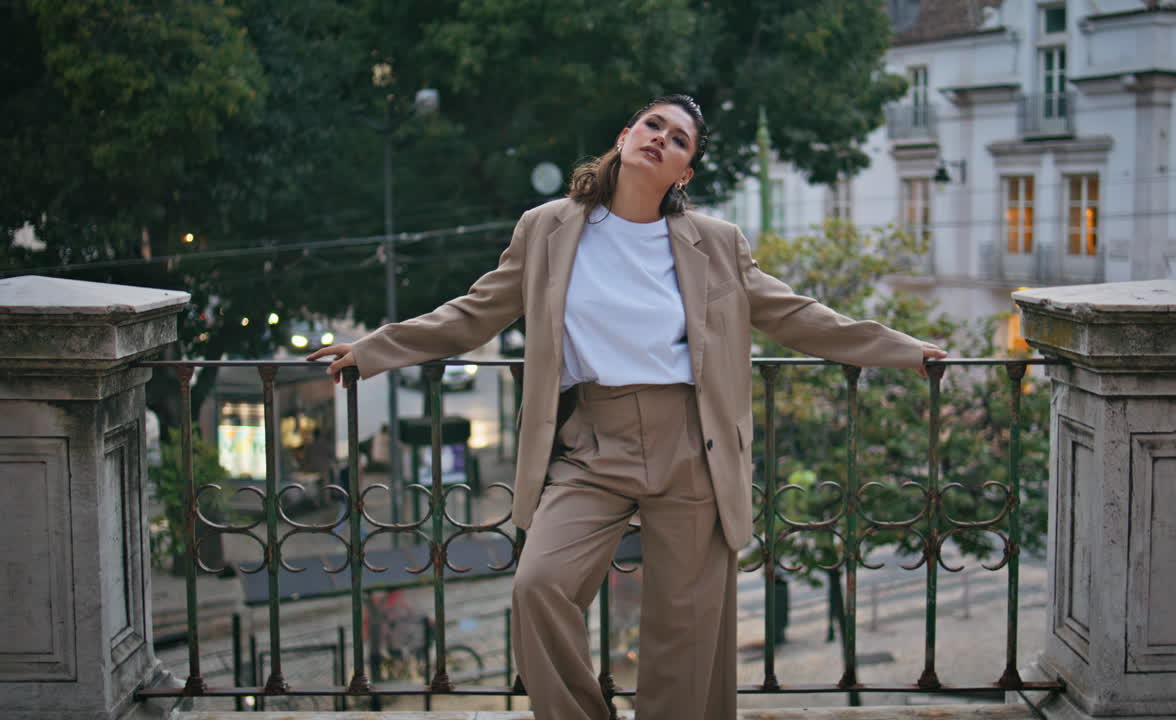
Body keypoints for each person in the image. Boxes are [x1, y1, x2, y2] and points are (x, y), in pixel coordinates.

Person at [309, 93, 947, 720]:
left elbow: (795, 315)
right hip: (591, 447)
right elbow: (475, 312)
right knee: (539, 587)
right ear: (624, 136)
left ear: (684, 173)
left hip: (692, 448)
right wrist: (374, 350)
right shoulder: (549, 228)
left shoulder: (715, 242)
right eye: (652, 125)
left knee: (682, 640)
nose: (660, 139)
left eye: (678, 139)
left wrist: (900, 350)